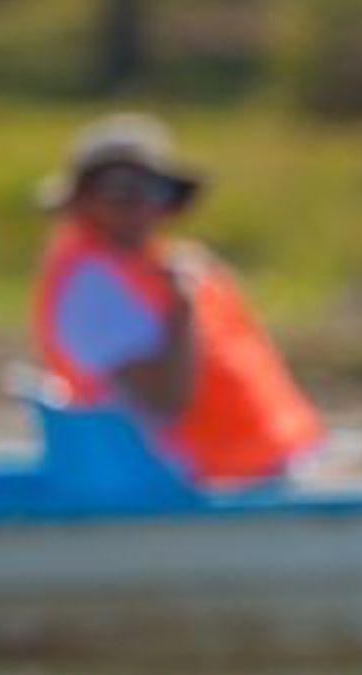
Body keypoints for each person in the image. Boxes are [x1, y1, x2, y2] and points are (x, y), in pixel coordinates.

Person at [32, 113, 323, 486]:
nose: (136, 201)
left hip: (263, 470)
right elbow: (161, 400)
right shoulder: (92, 287)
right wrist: (182, 308)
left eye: (152, 187)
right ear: (83, 198)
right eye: (119, 187)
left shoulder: (165, 264)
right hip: (190, 484)